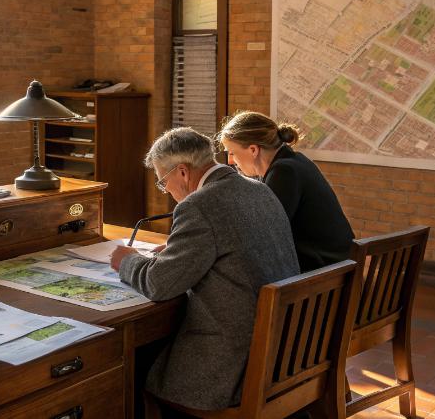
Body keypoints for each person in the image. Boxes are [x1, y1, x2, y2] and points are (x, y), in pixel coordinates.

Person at [110, 127, 300, 413]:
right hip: (287, 349)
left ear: (183, 172)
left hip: (234, 365)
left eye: (163, 183)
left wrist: (126, 260)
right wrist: (178, 252)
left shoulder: (199, 205)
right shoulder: (259, 188)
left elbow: (159, 284)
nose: (167, 192)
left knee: (131, 365)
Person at [218, 111, 355, 273]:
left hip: (324, 276)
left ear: (253, 150)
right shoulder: (295, 161)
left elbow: (264, 233)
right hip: (338, 266)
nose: (230, 161)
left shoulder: (284, 171)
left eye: (232, 152)